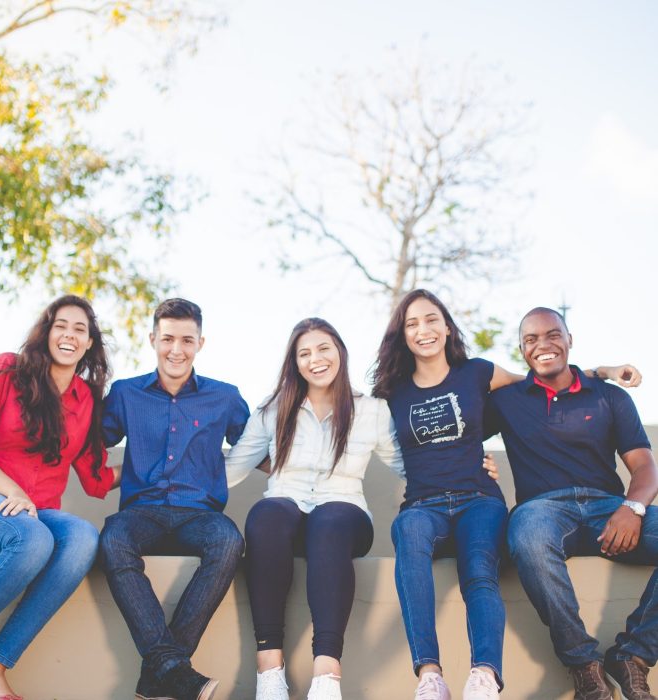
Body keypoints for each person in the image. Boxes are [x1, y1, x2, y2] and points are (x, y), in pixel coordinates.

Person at [371, 289, 639, 700]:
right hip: (434, 505)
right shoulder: (393, 392)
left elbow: (544, 376)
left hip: (483, 499)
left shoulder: (479, 373)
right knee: (410, 536)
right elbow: (373, 440)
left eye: (431, 320)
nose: (423, 330)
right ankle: (430, 675)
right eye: (412, 323)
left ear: (446, 326)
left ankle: (488, 675)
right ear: (402, 335)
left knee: (479, 569)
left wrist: (601, 371)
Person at [224, 317, 414, 700]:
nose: (316, 359)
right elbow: (232, 468)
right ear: (295, 363)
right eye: (304, 353)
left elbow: (408, 465)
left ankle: (326, 676)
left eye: (323, 348)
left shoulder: (372, 410)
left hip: (344, 517)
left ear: (340, 351)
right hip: (286, 519)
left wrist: (466, 466)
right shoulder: (273, 409)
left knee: (329, 520)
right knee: (267, 514)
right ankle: (270, 672)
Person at [486, 307, 657, 700]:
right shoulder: (507, 401)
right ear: (522, 350)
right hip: (542, 511)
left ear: (569, 340)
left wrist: (632, 509)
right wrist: (477, 462)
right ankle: (584, 666)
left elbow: (645, 465)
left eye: (552, 335)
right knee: (527, 539)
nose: (542, 344)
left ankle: (633, 656)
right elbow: (458, 425)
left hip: (609, 510)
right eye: (531, 339)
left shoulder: (608, 396)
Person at [0, 295, 119, 700]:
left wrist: (157, 469)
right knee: (31, 538)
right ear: (46, 332)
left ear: (89, 343)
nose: (69, 334)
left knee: (82, 537)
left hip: (37, 511)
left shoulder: (85, 400)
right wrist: (11, 488)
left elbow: (96, 478)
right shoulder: (6, 369)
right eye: (60, 325)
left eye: (79, 329)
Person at [98, 298, 249, 700]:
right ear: (152, 339)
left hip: (199, 516)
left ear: (201, 342)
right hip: (141, 513)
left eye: (187, 339)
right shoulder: (127, 393)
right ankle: (175, 670)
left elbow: (260, 446)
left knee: (229, 541)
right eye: (168, 339)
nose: (176, 349)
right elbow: (89, 441)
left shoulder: (225, 397)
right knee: (113, 539)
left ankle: (161, 673)